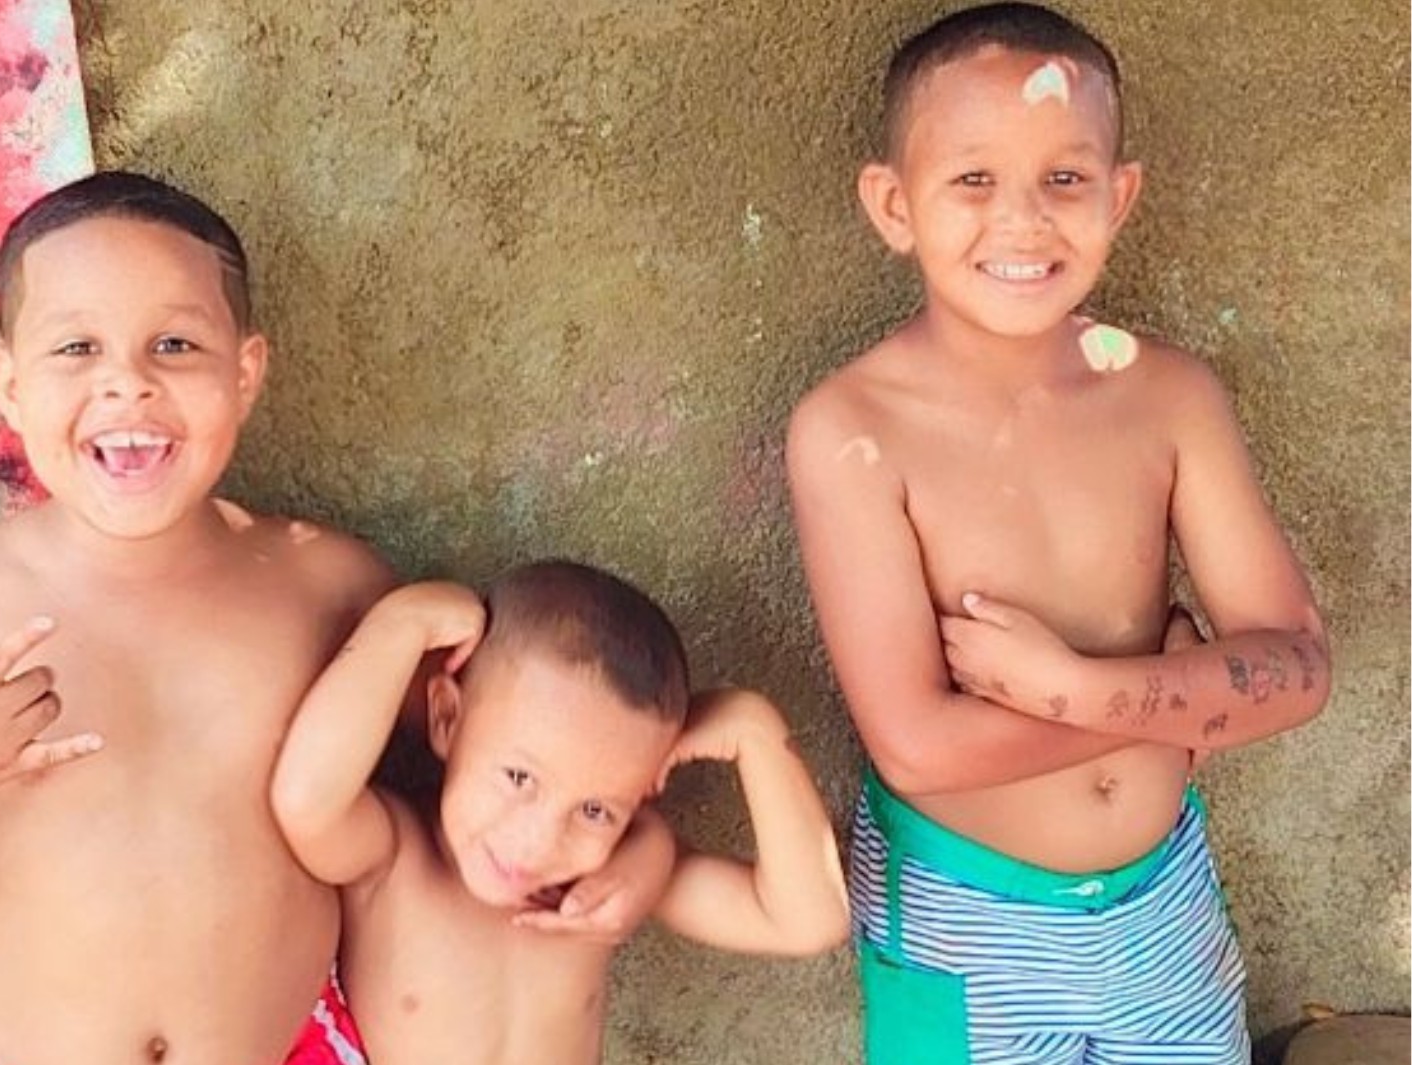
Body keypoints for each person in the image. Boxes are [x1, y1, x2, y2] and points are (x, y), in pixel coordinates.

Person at [785, 4, 1331, 1063]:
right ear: (893, 205)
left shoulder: (1169, 398)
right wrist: (1174, 702)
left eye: (1065, 178)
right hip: (962, 918)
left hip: (1160, 908)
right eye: (972, 180)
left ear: (1118, 196)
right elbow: (917, 748)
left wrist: (1072, 689)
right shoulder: (852, 430)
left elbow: (1299, 668)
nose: (1023, 221)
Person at [0, 170, 394, 1065]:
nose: (126, 384)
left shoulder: (324, 584)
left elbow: (458, 801)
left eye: (175, 343)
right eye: (75, 348)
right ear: (7, 382)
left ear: (245, 372)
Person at [272, 561, 849, 1065]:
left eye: (595, 810)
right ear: (446, 718)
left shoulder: (599, 891)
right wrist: (403, 624)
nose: (538, 841)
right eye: (519, 778)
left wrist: (755, 734)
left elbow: (806, 921)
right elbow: (306, 802)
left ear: (644, 792)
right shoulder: (397, 859)